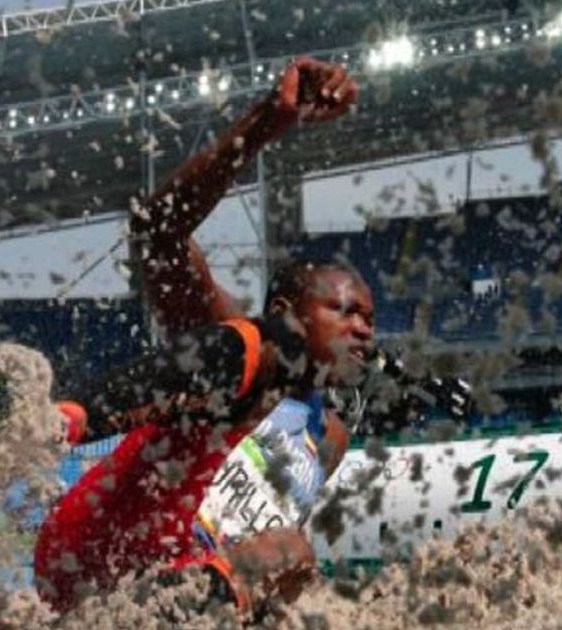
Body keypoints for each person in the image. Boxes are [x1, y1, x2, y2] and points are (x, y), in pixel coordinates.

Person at [31, 57, 368, 619]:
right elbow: (157, 232)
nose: (361, 327)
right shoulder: (237, 344)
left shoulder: (328, 439)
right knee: (289, 551)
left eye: (370, 320)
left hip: (176, 582)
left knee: (290, 559)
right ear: (287, 312)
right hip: (91, 554)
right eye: (344, 310)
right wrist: (265, 123)